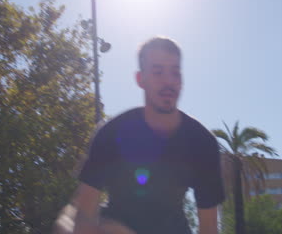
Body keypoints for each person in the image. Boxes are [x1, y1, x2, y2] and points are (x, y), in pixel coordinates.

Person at [56, 37, 225, 234]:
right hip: (114, 227)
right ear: (140, 79)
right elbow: (84, 213)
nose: (169, 81)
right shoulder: (111, 134)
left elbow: (209, 228)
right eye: (158, 72)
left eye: (175, 72)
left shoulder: (202, 143)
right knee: (66, 223)